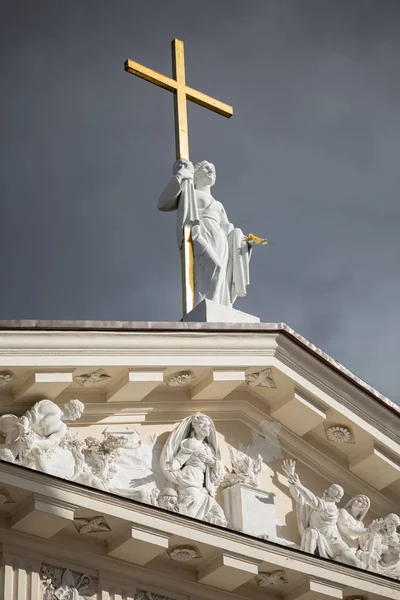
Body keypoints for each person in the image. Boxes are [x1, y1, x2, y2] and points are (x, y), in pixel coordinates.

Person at [158, 159, 255, 308]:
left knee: (222, 276)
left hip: (220, 239)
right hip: (200, 232)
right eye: (206, 168)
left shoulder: (218, 204)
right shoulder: (190, 192)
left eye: (213, 169)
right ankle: (202, 307)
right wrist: (180, 175)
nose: (211, 171)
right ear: (195, 174)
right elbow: (164, 203)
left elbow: (228, 228)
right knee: (214, 266)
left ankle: (217, 307)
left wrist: (245, 242)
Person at [282, 459, 362, 567]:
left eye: (332, 493)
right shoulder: (318, 505)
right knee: (311, 532)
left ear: (336, 499)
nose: (328, 492)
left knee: (356, 564)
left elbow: (314, 501)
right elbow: (300, 497)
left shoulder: (331, 508)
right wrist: (291, 475)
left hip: (334, 543)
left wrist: (299, 485)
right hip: (319, 537)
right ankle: (308, 563)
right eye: (330, 489)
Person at [160, 413, 227, 526]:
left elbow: (217, 468)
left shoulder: (208, 448)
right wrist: (171, 466)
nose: (209, 428)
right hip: (190, 476)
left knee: (217, 511)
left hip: (201, 481)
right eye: (205, 426)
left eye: (209, 426)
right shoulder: (192, 443)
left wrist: (210, 461)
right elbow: (179, 460)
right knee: (193, 504)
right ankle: (183, 526)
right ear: (197, 428)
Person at [0, 399, 84, 472]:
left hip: (34, 442)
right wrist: (25, 433)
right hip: (22, 430)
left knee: (39, 453)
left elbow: (50, 442)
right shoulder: (52, 408)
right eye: (79, 412)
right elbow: (31, 417)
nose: (79, 416)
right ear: (72, 409)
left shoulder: (62, 428)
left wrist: (34, 442)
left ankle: (46, 481)